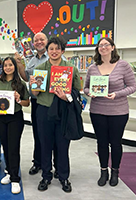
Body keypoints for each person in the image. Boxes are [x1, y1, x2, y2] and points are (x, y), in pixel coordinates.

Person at [30, 37, 81, 192]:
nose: (54, 51)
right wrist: (34, 85)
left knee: (62, 145)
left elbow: (77, 92)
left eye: (57, 48)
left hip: (63, 110)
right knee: (45, 144)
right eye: (51, 48)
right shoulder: (40, 69)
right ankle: (46, 176)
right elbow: (34, 93)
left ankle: (64, 176)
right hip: (44, 110)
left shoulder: (71, 69)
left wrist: (67, 97)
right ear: (47, 50)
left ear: (62, 51)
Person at [83, 37, 136, 187]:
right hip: (97, 110)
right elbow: (86, 88)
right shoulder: (92, 68)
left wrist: (117, 94)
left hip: (118, 111)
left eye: (106, 45)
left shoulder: (123, 65)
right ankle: (103, 171)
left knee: (115, 143)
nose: (103, 48)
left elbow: (132, 87)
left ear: (113, 47)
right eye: (100, 46)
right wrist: (90, 93)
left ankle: (115, 171)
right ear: (97, 49)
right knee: (101, 142)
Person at [15, 32, 58, 177]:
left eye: (42, 39)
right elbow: (25, 77)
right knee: (39, 133)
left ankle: (58, 165)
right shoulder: (31, 59)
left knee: (56, 135)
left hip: (53, 101)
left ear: (47, 41)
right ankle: (38, 162)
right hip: (36, 101)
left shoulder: (56, 57)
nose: (39, 42)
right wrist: (19, 64)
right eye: (36, 40)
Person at [0, 57, 30, 194]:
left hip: (15, 117)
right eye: (5, 65)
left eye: (10, 65)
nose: (8, 67)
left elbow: (27, 103)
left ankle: (15, 179)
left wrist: (19, 99)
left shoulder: (20, 84)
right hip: (0, 119)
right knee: (6, 146)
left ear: (14, 67)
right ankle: (9, 171)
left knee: (13, 147)